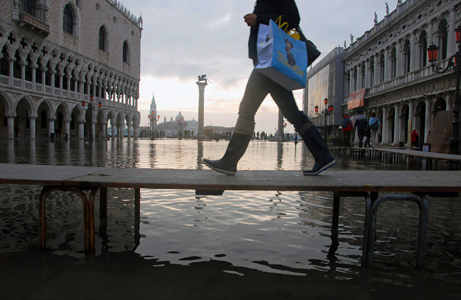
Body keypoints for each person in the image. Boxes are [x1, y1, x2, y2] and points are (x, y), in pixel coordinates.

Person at [203, 0, 335, 176]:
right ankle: (323, 156)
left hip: (271, 60)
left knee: (247, 109)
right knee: (293, 114)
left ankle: (229, 161)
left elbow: (293, 19)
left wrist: (259, 19)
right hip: (270, 60)